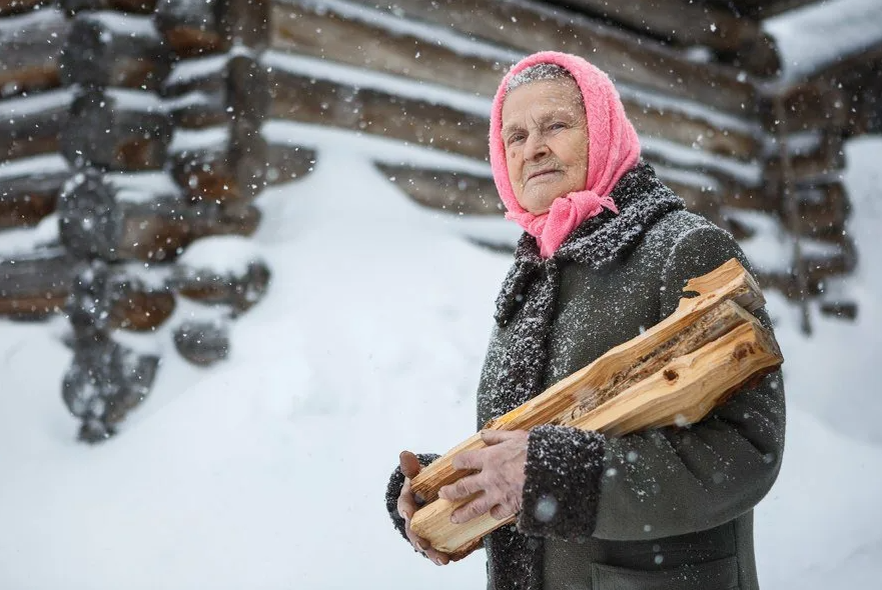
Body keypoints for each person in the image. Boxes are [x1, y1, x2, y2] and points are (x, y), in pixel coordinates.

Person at [385, 51, 785, 590]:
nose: (535, 148)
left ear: (603, 128)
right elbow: (544, 441)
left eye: (557, 125)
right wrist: (447, 489)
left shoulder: (682, 250)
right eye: (516, 136)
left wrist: (557, 477)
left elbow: (744, 450)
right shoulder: (534, 275)